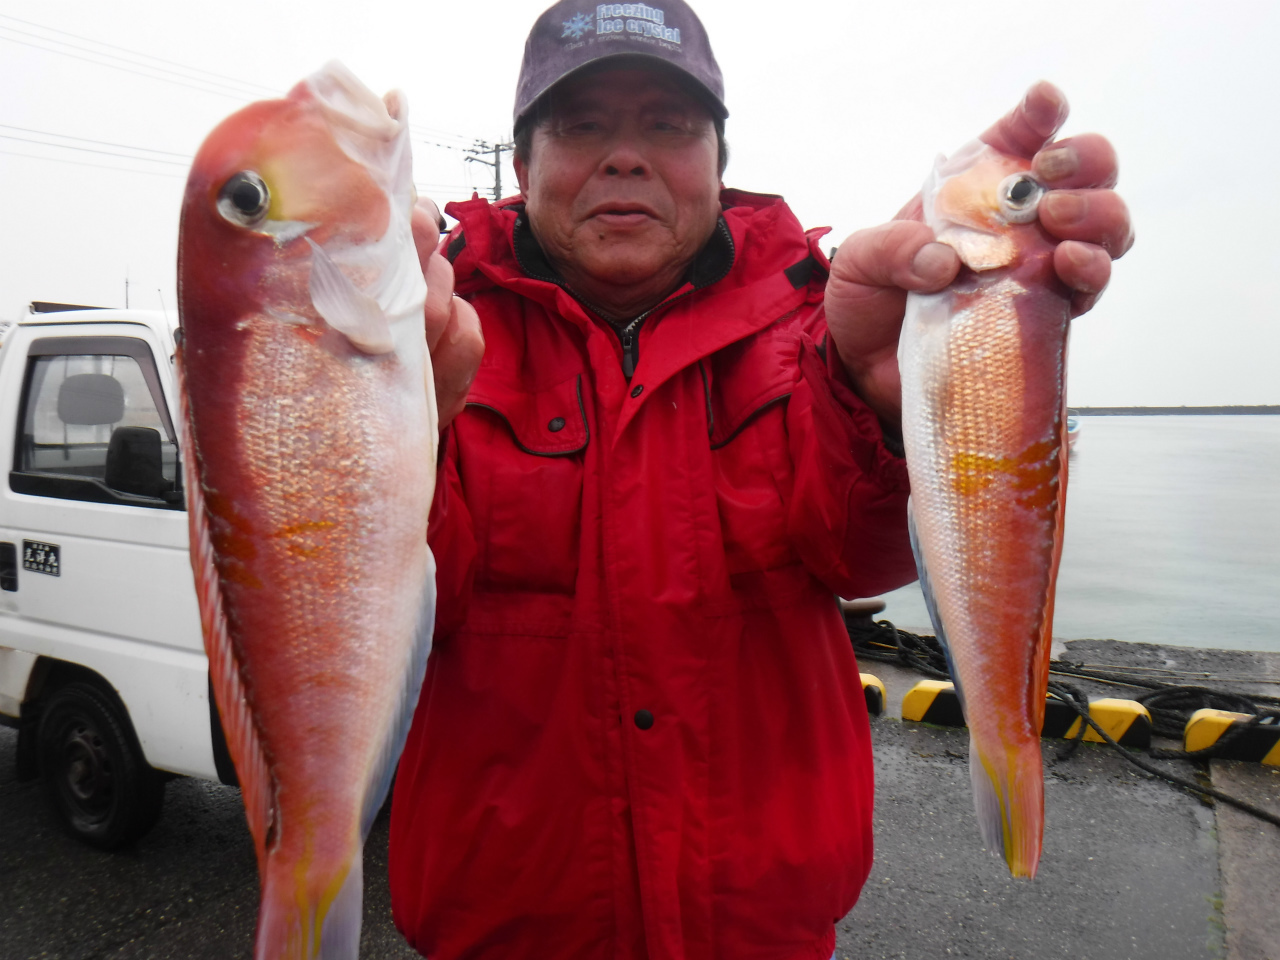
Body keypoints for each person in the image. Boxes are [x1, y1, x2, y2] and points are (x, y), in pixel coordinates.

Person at [389, 2, 1132, 958]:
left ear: (717, 163)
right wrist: (375, 417)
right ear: (522, 166)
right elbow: (397, 610)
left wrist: (886, 401)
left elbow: (856, 557)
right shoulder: (427, 331)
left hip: (763, 925)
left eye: (668, 125)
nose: (626, 157)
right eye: (581, 126)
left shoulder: (818, 322)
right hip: (497, 924)